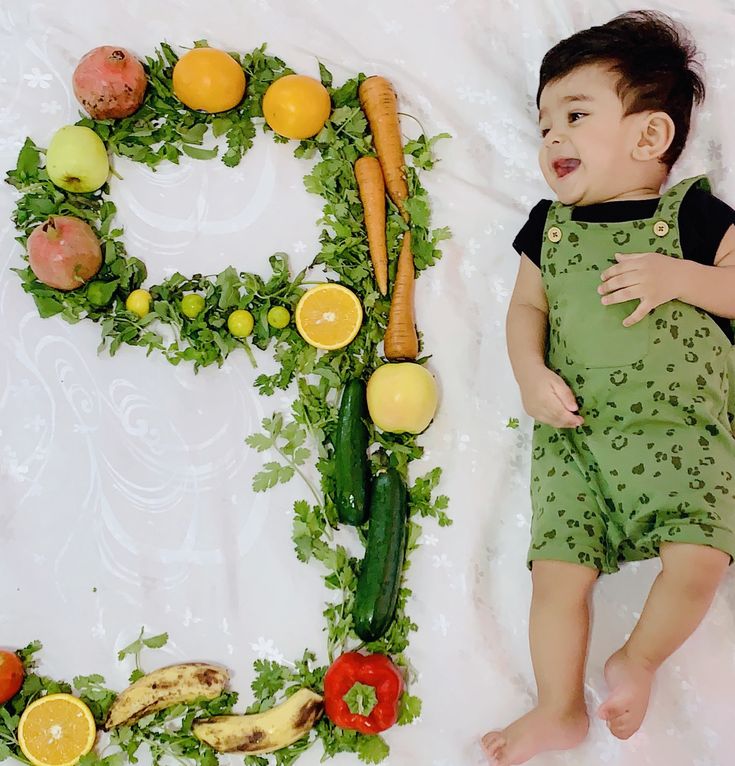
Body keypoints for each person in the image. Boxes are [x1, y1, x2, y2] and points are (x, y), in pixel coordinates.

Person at [481, 10, 735, 766]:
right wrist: (529, 373)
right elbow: (525, 308)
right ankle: (556, 706)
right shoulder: (548, 226)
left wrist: (682, 277)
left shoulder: (688, 215)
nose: (551, 137)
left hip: (684, 437)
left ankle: (640, 660)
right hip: (575, 436)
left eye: (575, 115)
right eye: (543, 124)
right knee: (557, 579)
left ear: (648, 137)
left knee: (698, 563)